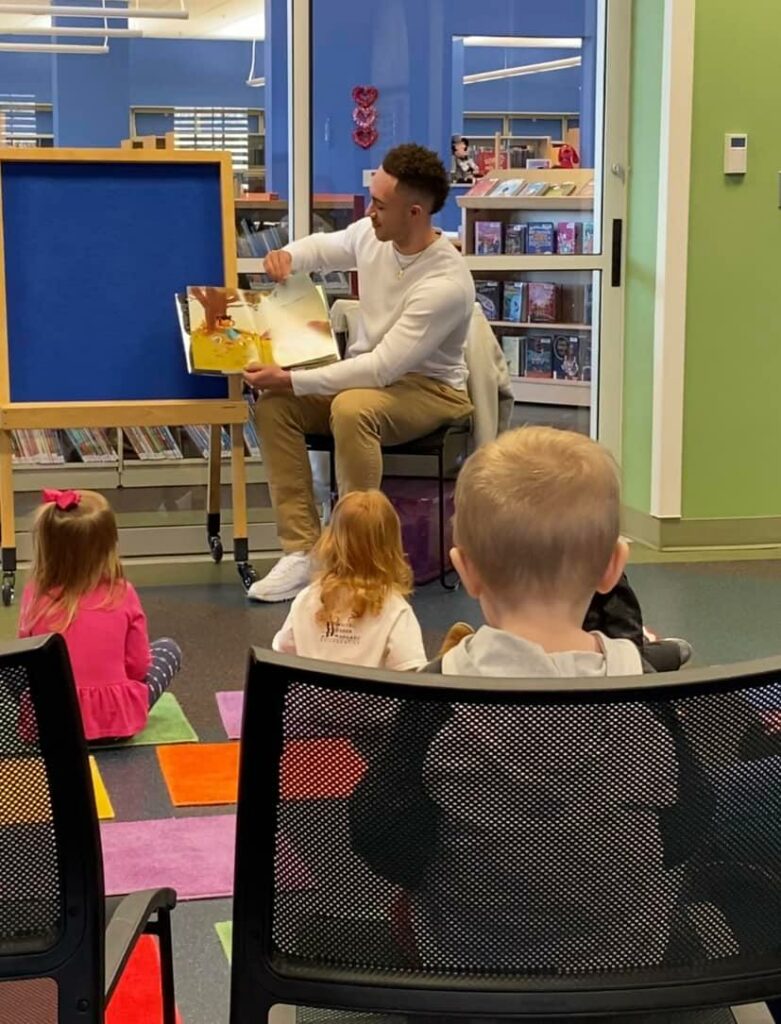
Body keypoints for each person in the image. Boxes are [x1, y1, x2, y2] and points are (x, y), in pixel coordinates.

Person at [350, 427, 700, 972]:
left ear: (464, 569)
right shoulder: (647, 691)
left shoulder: (438, 694)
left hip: (463, 968)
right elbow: (689, 826)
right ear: (614, 566)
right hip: (624, 970)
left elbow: (382, 838)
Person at [243, 143, 475, 603]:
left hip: (430, 389)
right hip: (374, 380)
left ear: (414, 212)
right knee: (275, 407)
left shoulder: (445, 283)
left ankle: (358, 556)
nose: (369, 212)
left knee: (351, 409)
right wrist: (287, 256)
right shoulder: (374, 234)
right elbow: (324, 247)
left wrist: (293, 377)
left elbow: (382, 367)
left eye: (379, 206)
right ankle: (302, 551)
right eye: (371, 199)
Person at [18, 488, 182, 742]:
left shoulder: (34, 595)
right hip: (116, 724)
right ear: (108, 547)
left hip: (51, 725)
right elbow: (138, 666)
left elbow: (27, 662)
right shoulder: (122, 593)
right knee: (168, 650)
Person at [272, 489, 426, 671]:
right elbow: (411, 672)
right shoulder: (395, 609)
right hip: (369, 700)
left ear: (330, 542)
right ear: (391, 548)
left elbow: (281, 653)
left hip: (312, 699)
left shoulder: (306, 598)